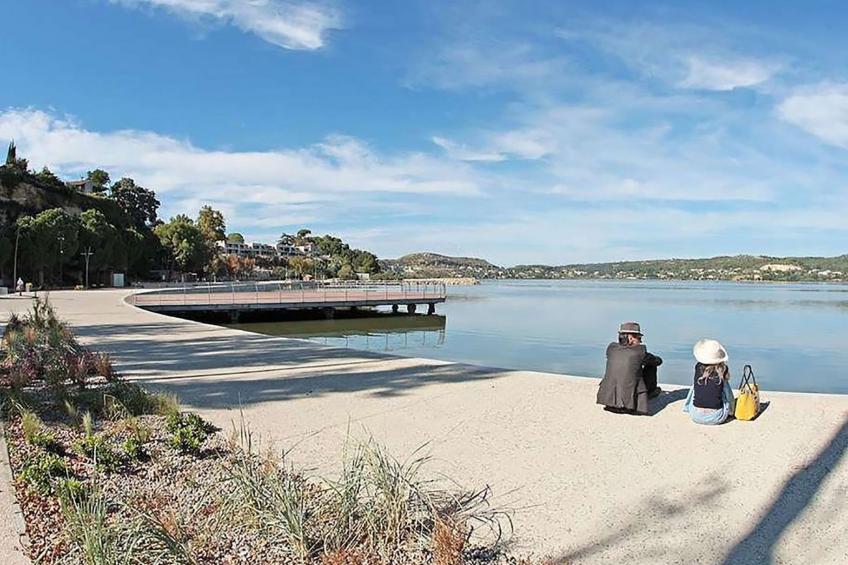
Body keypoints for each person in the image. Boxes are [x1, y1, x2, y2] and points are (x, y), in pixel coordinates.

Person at [596, 322, 663, 415]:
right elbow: (658, 361)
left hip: (608, 402)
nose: (640, 341)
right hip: (630, 405)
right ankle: (651, 392)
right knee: (651, 365)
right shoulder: (639, 351)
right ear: (630, 337)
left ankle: (614, 401)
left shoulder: (611, 348)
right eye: (638, 338)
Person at [683, 339, 734, 425]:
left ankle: (687, 407)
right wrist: (731, 409)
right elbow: (728, 394)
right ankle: (731, 410)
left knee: (696, 385)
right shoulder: (722, 370)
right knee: (724, 387)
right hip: (716, 417)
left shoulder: (698, 367)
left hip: (695, 415)